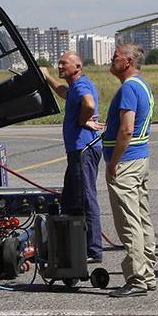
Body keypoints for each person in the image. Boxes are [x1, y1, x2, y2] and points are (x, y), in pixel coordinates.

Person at [102, 44, 156, 297]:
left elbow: (126, 129)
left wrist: (113, 162)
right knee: (142, 218)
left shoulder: (128, 89)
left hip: (126, 163)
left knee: (128, 221)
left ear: (129, 61)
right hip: (140, 161)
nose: (112, 61)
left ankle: (137, 279)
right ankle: (148, 274)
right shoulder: (142, 86)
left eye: (116, 58)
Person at [39, 52, 104, 262]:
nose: (60, 66)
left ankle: (93, 251)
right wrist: (47, 77)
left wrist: (84, 121)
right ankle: (70, 245)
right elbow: (64, 91)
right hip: (77, 150)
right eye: (59, 63)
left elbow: (89, 104)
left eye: (64, 63)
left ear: (77, 66)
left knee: (86, 198)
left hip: (83, 150)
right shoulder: (76, 86)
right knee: (69, 199)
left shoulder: (81, 86)